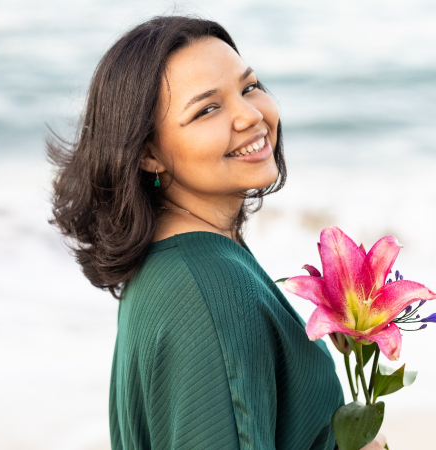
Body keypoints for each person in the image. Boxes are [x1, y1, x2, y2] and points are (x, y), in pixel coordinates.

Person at [47, 15, 387, 450]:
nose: (250, 115)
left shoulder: (172, 265)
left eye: (249, 87)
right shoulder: (208, 289)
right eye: (207, 108)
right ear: (148, 152)